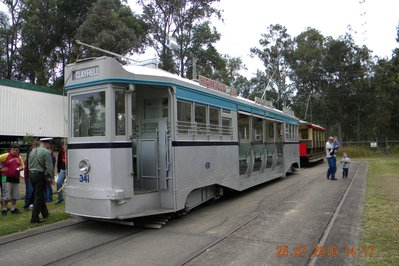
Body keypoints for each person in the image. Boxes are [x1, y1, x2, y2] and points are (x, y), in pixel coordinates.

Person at [28, 138, 54, 223]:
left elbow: (28, 164)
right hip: (39, 175)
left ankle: (45, 213)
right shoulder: (46, 152)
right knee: (38, 197)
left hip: (31, 174)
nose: (50, 146)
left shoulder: (32, 151)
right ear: (47, 144)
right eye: (50, 144)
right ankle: (34, 218)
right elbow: (49, 167)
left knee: (39, 194)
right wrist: (51, 177)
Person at [0, 143, 24, 215]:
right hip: (5, 177)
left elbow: (23, 165)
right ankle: (4, 209)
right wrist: (1, 168)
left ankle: (13, 208)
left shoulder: (19, 157)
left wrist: (21, 168)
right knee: (6, 195)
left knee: (15, 194)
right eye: (15, 150)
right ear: (11, 149)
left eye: (18, 150)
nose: (16, 152)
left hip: (16, 177)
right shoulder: (5, 155)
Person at [23, 141, 41, 211]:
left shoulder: (34, 153)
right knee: (30, 191)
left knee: (34, 191)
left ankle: (32, 204)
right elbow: (27, 168)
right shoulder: (31, 153)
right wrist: (26, 177)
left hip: (32, 175)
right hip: (30, 175)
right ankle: (26, 205)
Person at [56, 140, 67, 204]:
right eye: (63, 145)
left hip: (69, 170)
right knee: (58, 183)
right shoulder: (61, 151)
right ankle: (60, 198)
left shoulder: (69, 151)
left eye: (65, 145)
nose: (64, 146)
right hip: (62, 169)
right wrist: (58, 170)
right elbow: (59, 161)